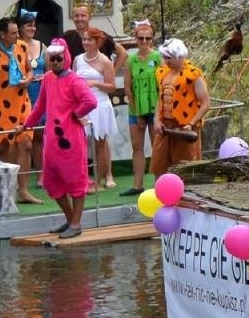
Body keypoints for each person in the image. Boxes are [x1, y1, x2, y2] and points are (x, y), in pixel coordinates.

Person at [13, 39, 97, 238]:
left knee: (76, 182)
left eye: (59, 58)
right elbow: (39, 107)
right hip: (52, 141)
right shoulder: (48, 78)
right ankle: (70, 219)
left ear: (65, 58)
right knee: (51, 182)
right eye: (53, 59)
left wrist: (76, 114)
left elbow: (90, 101)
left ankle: (76, 224)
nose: (56, 62)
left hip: (72, 140)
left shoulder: (75, 80)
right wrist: (25, 125)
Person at [151, 38, 209, 174]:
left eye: (169, 58)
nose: (166, 61)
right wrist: (156, 120)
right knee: (159, 166)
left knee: (186, 167)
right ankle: (161, 194)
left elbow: (206, 103)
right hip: (165, 126)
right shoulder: (163, 72)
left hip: (185, 127)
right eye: (165, 57)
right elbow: (161, 99)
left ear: (180, 56)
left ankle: (185, 195)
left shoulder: (194, 75)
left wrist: (191, 123)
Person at [73, 27, 118, 191]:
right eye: (84, 39)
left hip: (100, 104)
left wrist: (96, 83)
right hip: (82, 106)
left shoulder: (105, 61)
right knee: (81, 144)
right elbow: (72, 80)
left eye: (89, 40)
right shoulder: (77, 59)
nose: (85, 42)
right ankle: (83, 179)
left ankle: (99, 181)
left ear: (97, 42)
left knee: (100, 144)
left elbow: (112, 86)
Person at [122, 19, 160, 197]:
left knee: (156, 146)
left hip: (155, 108)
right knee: (137, 146)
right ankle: (138, 184)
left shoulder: (158, 57)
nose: (144, 42)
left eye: (147, 38)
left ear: (152, 39)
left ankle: (159, 183)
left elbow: (163, 85)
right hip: (136, 108)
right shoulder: (131, 60)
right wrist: (136, 112)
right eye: (141, 38)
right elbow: (128, 88)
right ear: (135, 39)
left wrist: (159, 113)